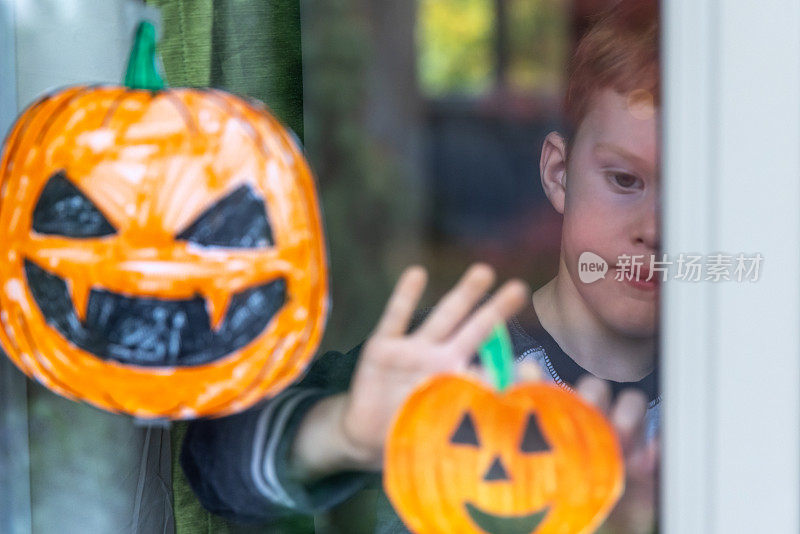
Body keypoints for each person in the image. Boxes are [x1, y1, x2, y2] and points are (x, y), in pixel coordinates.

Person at [180, 0, 661, 532]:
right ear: (558, 173)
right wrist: (341, 434)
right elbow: (214, 465)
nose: (656, 228)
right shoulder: (444, 359)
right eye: (624, 180)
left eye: (693, 193)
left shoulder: (742, 388)